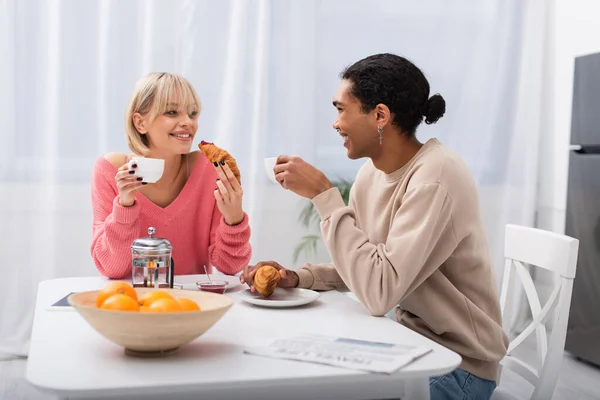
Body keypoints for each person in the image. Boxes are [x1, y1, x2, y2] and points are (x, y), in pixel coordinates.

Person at [241, 53, 508, 400]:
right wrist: (300, 278)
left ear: (380, 115)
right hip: (408, 345)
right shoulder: (372, 174)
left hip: (456, 368)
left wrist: (325, 196)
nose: (335, 123)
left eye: (341, 109)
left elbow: (378, 292)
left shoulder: (435, 178)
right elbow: (370, 267)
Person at [91, 72, 252, 279]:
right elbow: (111, 269)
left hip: (193, 305)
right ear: (141, 123)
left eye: (193, 114)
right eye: (172, 112)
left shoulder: (208, 169)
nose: (188, 122)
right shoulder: (109, 171)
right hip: (133, 304)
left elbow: (230, 266)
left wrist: (234, 218)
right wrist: (125, 206)